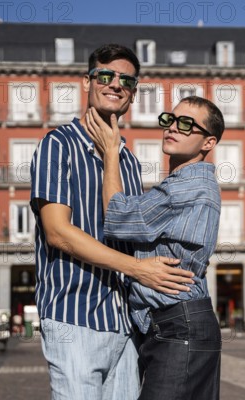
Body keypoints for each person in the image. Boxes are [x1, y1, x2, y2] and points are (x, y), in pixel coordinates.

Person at [30, 44, 195, 399]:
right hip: (74, 317)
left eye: (127, 80)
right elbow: (58, 233)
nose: (115, 84)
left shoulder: (129, 162)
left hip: (125, 323)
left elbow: (133, 234)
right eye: (105, 75)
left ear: (133, 93)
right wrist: (139, 270)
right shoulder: (58, 145)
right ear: (88, 82)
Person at [84, 95, 225, 400]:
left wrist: (110, 153)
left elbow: (117, 216)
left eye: (187, 124)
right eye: (170, 120)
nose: (173, 127)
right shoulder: (189, 184)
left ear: (208, 143)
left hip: (179, 326)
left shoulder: (186, 187)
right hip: (179, 323)